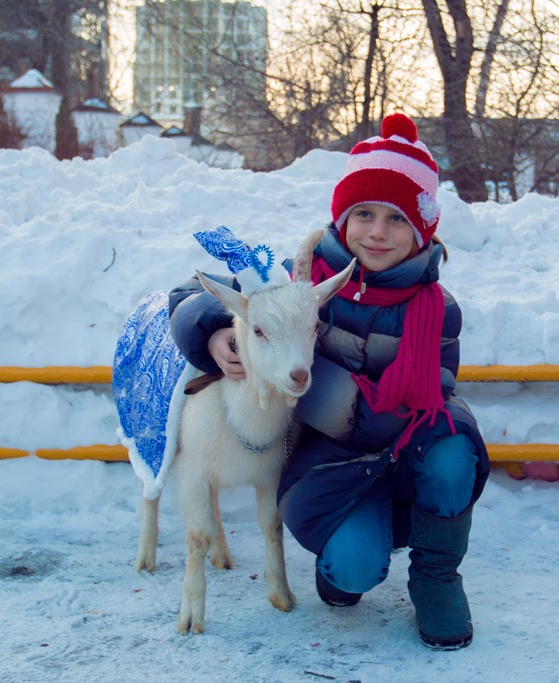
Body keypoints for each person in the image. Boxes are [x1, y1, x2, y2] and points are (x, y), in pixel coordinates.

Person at [167, 112, 489, 650]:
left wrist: (334, 398)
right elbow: (189, 292)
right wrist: (215, 330)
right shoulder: (300, 284)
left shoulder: (438, 310)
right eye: (364, 214)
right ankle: (347, 558)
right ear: (342, 218)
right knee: (352, 570)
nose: (378, 232)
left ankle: (436, 578)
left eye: (397, 219)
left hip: (403, 450)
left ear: (422, 229)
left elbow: (426, 395)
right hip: (334, 464)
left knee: (455, 445)